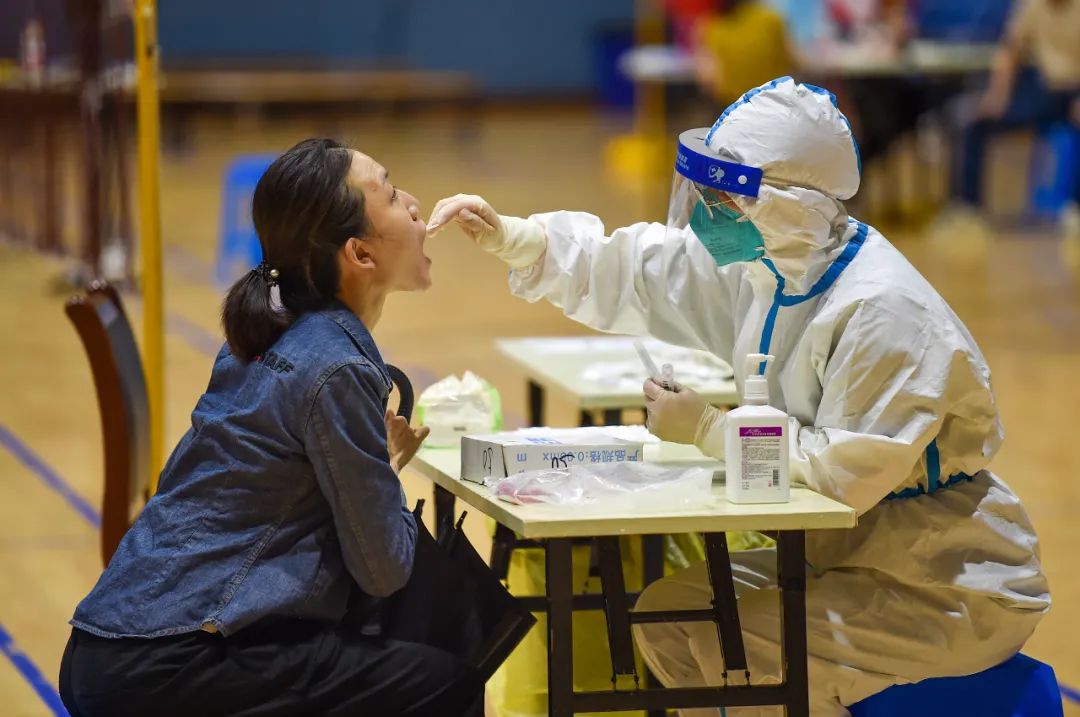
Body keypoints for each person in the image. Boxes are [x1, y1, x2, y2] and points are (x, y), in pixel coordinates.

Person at [428, 77, 1050, 716]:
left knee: (741, 642)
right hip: (849, 555)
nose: (706, 211)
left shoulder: (883, 311)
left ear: (787, 204)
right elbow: (648, 270)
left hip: (944, 580)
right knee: (666, 614)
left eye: (722, 196)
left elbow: (840, 480)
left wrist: (708, 428)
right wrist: (519, 238)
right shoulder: (774, 269)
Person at [59, 138, 485, 717]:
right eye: (389, 193)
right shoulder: (337, 367)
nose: (412, 203)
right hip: (171, 663)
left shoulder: (264, 329)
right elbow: (383, 569)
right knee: (445, 681)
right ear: (359, 253)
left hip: (108, 643)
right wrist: (382, 474)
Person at [948, 0, 1080, 233]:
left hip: (1075, 91)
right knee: (976, 124)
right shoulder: (1032, 7)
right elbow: (1009, 51)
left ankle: (1075, 207)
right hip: (1043, 91)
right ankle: (969, 208)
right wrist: (997, 96)